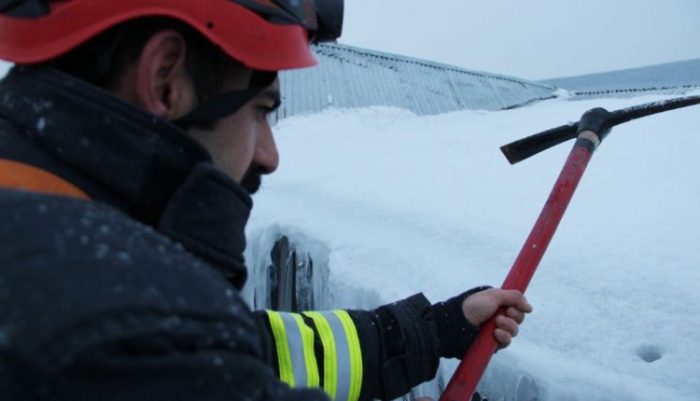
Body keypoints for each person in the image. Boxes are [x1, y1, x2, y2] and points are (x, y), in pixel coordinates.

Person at [0, 1, 532, 400]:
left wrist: (433, 329)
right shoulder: (120, 337)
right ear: (165, 78)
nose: (270, 154)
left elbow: (259, 350)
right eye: (261, 110)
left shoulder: (58, 243)